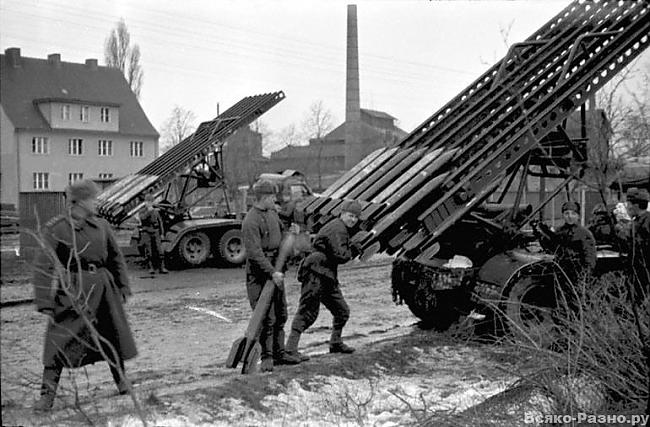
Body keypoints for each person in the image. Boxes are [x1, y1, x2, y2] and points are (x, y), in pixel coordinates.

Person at [32, 179, 137, 412]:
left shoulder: (102, 226)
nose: (97, 203)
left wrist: (122, 287)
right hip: (73, 291)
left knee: (112, 336)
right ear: (79, 202)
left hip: (104, 290)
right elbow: (43, 264)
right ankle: (47, 395)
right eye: (93, 199)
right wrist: (44, 301)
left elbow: (116, 259)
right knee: (58, 341)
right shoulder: (58, 228)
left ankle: (122, 382)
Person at [285, 200, 362, 360]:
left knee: (342, 310)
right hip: (315, 272)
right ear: (342, 213)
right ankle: (290, 349)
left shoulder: (341, 228)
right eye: (350, 215)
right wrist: (353, 250)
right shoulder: (337, 229)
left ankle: (335, 342)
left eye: (355, 217)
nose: (353, 219)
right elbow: (340, 255)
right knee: (307, 311)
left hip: (326, 274)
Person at [242, 180, 300, 372]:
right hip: (260, 274)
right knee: (267, 317)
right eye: (272, 197)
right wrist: (272, 272)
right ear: (265, 197)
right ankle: (267, 357)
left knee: (281, 313)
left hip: (276, 268)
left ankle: (279, 353)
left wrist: (291, 234)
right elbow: (254, 253)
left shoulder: (272, 214)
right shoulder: (250, 220)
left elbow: (281, 236)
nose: (274, 200)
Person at [534, 200, 597, 282]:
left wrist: (584, 277)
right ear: (563, 215)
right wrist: (540, 233)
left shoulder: (584, 234)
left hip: (578, 275)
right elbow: (552, 248)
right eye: (566, 213)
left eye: (573, 213)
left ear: (578, 216)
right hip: (561, 274)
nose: (570, 216)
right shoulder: (559, 232)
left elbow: (590, 257)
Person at [616, 187, 650, 297]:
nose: (628, 207)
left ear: (636, 205)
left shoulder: (645, 222)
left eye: (629, 204)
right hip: (638, 269)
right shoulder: (638, 221)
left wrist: (622, 233)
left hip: (644, 269)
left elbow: (638, 244)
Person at [139, 193, 168, 275]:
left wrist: (162, 233)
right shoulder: (142, 211)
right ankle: (151, 267)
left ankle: (162, 267)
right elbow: (142, 218)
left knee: (160, 250)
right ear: (145, 202)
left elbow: (160, 222)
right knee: (149, 251)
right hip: (146, 231)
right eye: (148, 202)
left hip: (156, 231)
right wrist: (149, 211)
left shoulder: (156, 211)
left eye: (150, 202)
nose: (149, 203)